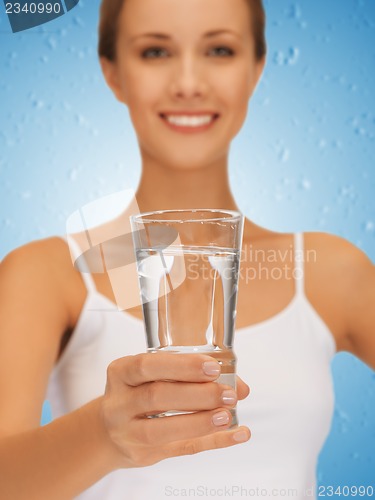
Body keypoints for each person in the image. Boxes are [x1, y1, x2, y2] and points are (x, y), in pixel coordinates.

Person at [0, 0, 374, 498]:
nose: (189, 83)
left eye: (219, 49)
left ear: (256, 68)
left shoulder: (329, 270)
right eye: (155, 52)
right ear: (112, 73)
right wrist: (103, 435)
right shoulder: (49, 274)